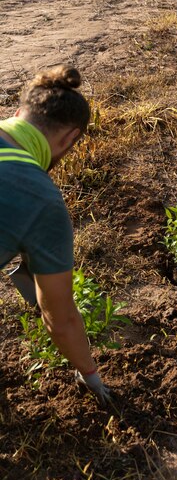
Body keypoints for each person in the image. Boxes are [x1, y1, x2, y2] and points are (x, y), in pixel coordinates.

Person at [0, 64, 111, 404]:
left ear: (18, 113)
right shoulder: (40, 198)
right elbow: (59, 318)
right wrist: (91, 377)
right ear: (70, 139)